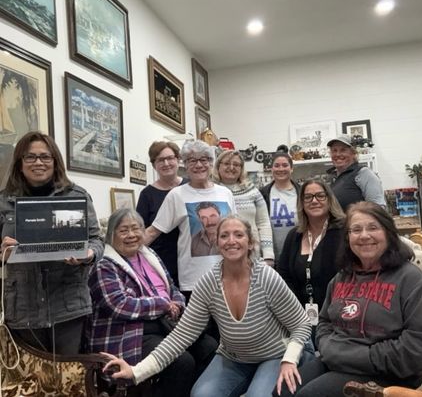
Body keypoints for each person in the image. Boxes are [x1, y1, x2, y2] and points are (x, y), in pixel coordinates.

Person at [103, 215, 313, 397]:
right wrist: (136, 372)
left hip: (276, 354)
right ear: (216, 242)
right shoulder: (208, 283)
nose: (231, 241)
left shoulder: (267, 278)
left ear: (250, 243)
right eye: (224, 235)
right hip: (235, 358)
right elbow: (181, 335)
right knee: (202, 394)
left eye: (239, 235)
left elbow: (302, 325)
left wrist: (290, 359)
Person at [275, 201, 422, 397]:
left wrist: (360, 356)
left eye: (373, 228)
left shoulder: (411, 280)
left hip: (388, 374)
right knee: (283, 391)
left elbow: (418, 348)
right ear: (348, 238)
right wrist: (330, 349)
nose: (364, 236)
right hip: (337, 361)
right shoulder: (342, 277)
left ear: (388, 233)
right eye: (356, 230)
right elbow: (324, 322)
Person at [87, 208, 216, 397]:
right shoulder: (104, 266)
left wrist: (177, 304)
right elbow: (119, 305)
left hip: (165, 324)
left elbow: (172, 288)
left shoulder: (149, 255)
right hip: (130, 331)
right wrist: (163, 304)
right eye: (123, 231)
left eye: (136, 228)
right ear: (111, 235)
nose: (131, 235)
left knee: (210, 348)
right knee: (180, 362)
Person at [0, 131, 103, 354]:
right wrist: (2, 253)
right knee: (32, 382)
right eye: (30, 157)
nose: (38, 162)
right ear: (19, 163)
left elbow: (96, 240)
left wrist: (89, 255)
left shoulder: (78, 195)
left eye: (45, 157)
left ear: (55, 161)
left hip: (68, 304)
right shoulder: (3, 201)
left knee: (68, 379)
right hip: (22, 308)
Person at [143, 140, 236, 296]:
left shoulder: (225, 193)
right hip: (193, 282)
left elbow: (236, 232)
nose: (198, 165)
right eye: (192, 160)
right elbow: (153, 232)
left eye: (203, 159)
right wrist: (118, 254)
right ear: (184, 165)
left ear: (211, 163)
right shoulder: (176, 195)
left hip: (228, 277)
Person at [278, 179, 344, 311]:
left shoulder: (343, 233)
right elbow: (283, 275)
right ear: (301, 203)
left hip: (337, 312)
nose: (314, 201)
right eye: (308, 197)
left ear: (329, 199)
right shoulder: (294, 236)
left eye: (320, 196)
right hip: (300, 314)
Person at [136, 141, 187, 285]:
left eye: (170, 158)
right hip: (160, 261)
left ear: (178, 160)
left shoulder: (190, 186)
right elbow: (141, 231)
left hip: (189, 258)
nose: (166, 163)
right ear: (154, 165)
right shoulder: (147, 195)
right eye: (160, 160)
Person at [213, 150, 274, 263]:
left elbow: (263, 223)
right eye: (226, 163)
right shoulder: (210, 191)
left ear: (241, 168)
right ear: (218, 166)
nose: (231, 167)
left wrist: (268, 255)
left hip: (252, 255)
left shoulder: (252, 191)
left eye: (236, 165)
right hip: (220, 256)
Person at [260, 152, 300, 265]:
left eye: (285, 165)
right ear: (271, 169)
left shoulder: (302, 192)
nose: (280, 169)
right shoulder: (263, 194)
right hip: (272, 257)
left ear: (291, 168)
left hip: (298, 254)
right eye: (276, 165)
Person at [327, 135, 386, 211]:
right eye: (334, 151)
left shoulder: (364, 173)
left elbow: (378, 209)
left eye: (343, 150)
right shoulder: (333, 178)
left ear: (353, 153)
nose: (338, 154)